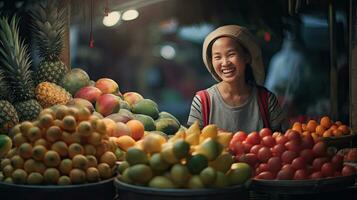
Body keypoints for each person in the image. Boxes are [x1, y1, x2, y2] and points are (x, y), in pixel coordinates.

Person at [187, 25, 285, 133]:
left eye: (231, 54)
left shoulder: (266, 100)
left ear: (247, 56)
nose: (225, 63)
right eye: (217, 57)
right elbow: (193, 142)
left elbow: (279, 142)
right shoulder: (202, 101)